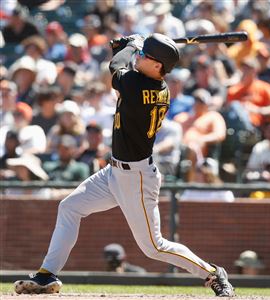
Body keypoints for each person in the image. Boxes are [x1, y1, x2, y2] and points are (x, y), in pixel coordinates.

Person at [14, 33, 235, 297]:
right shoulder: (148, 81)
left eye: (146, 55)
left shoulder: (141, 86)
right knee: (70, 207)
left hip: (137, 178)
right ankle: (47, 275)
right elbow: (124, 64)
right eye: (141, 53)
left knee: (154, 247)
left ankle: (212, 273)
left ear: (157, 67)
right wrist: (133, 47)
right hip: (114, 172)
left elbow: (115, 67)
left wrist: (130, 45)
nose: (140, 56)